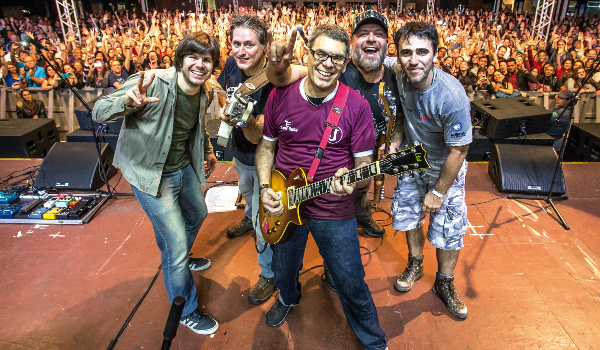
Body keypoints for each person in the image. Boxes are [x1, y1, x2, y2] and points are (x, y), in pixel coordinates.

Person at [257, 23, 387, 350]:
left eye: (337, 59)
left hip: (333, 209)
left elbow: (363, 167)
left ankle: (375, 343)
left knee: (351, 282)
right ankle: (288, 297)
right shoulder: (279, 96)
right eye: (321, 54)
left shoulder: (356, 106)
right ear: (308, 54)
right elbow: (266, 148)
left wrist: (355, 180)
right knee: (284, 270)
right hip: (284, 201)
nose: (328, 64)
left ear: (346, 65)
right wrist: (263, 188)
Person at [91, 31, 220, 336]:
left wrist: (209, 150)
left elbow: (195, 126)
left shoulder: (204, 92)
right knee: (174, 248)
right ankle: (186, 309)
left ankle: (176, 259)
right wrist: (126, 100)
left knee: (198, 213)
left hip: (182, 167)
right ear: (181, 58)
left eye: (207, 59)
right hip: (150, 173)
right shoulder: (152, 80)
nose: (200, 65)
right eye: (194, 57)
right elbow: (98, 111)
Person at [388, 21, 472, 320]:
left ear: (436, 53)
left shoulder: (451, 96)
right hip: (412, 158)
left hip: (445, 167)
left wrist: (438, 191)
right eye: (406, 52)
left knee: (448, 230)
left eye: (422, 52)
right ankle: (415, 262)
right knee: (409, 214)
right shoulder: (398, 72)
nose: (414, 60)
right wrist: (396, 141)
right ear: (397, 55)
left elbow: (459, 150)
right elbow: (366, 61)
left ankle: (444, 283)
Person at [216, 15, 277, 306]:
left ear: (264, 46)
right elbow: (219, 89)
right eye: (236, 43)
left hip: (267, 161)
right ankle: (248, 216)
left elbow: (260, 137)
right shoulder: (231, 64)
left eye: (249, 44)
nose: (241, 50)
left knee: (264, 220)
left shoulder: (276, 80)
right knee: (248, 193)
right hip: (240, 156)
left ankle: (268, 274)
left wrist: (243, 119)